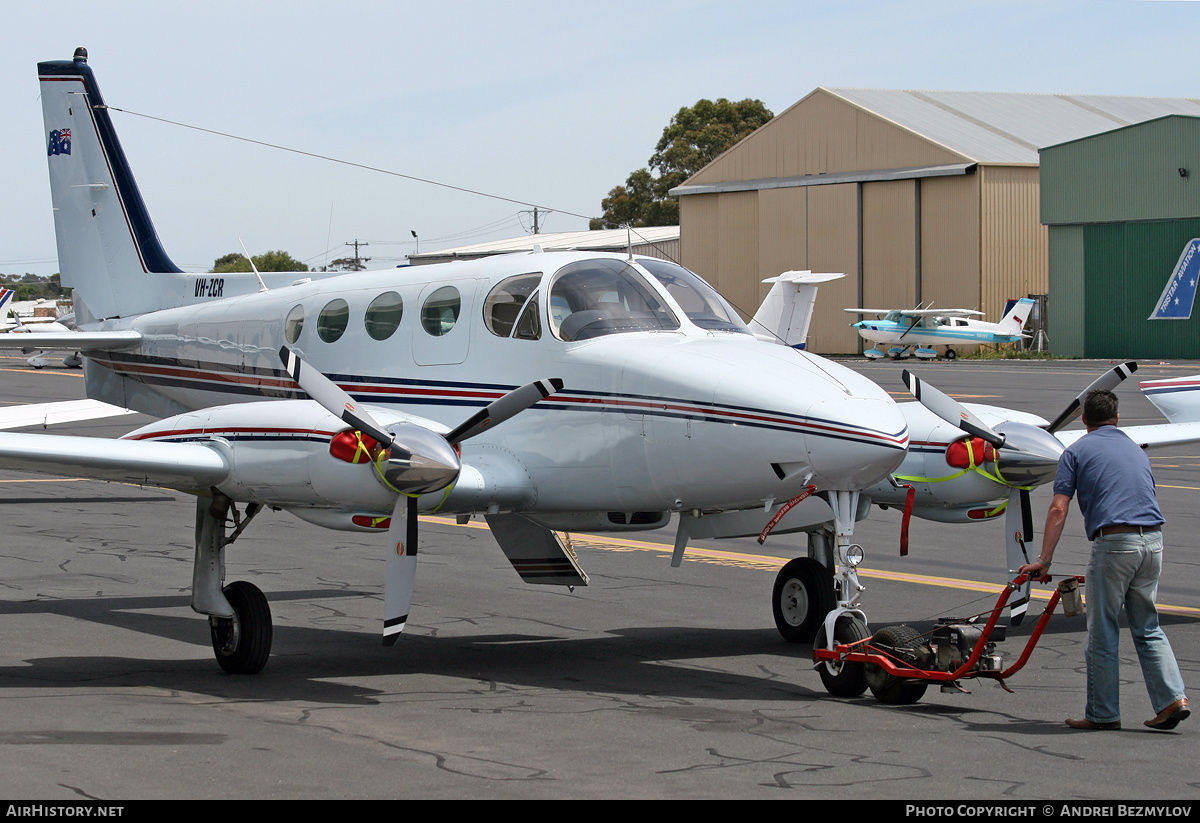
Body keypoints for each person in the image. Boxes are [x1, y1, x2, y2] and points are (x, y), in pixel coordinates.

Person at [1019, 389, 1189, 731]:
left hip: (1116, 544)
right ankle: (1173, 699)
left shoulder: (1076, 451)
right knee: (1147, 625)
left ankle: (1103, 713)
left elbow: (1058, 507)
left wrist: (1045, 560)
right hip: (1153, 541)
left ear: (1083, 419)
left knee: (1102, 630)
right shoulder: (1134, 448)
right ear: (1117, 417)